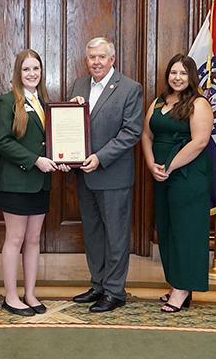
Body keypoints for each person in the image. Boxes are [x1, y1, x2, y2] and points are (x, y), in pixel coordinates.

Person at [69, 37, 143, 313]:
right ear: (86, 60)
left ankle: (115, 291)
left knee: (116, 235)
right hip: (84, 175)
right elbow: (71, 126)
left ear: (112, 59)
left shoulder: (130, 88)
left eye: (101, 57)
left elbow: (131, 132)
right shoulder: (79, 85)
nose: (96, 62)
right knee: (93, 233)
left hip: (113, 175)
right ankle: (98, 284)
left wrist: (100, 157)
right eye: (92, 58)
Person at [0, 49, 69, 316]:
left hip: (40, 182)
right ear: (18, 72)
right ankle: (11, 296)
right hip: (16, 181)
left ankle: (30, 293)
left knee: (34, 239)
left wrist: (61, 157)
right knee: (15, 239)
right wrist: (36, 160)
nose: (31, 74)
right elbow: (2, 142)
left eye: (36, 69)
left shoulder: (46, 102)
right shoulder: (6, 102)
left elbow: (52, 139)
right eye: (26, 69)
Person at [141, 54, 212, 313]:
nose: (177, 78)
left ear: (191, 76)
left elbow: (200, 142)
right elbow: (146, 134)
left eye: (183, 73)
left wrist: (169, 166)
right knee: (168, 229)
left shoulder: (199, 103)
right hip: (160, 175)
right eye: (173, 73)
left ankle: (183, 289)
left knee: (187, 231)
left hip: (188, 176)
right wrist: (151, 165)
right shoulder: (159, 101)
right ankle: (176, 282)